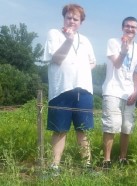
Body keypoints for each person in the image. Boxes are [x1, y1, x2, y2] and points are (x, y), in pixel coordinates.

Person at [43, 4, 96, 173]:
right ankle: (54, 166)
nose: (72, 21)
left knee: (83, 129)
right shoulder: (54, 34)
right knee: (60, 130)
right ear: (64, 18)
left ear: (81, 22)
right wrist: (69, 40)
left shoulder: (86, 40)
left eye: (76, 19)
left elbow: (93, 62)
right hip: (61, 89)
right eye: (69, 17)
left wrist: (81, 69)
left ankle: (87, 166)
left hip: (84, 90)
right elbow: (57, 58)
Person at [101, 16, 137, 169]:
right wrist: (123, 51)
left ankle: (122, 158)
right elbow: (117, 64)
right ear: (122, 28)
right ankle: (106, 161)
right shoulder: (113, 42)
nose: (130, 29)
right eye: (127, 26)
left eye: (133, 27)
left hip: (129, 93)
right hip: (112, 90)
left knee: (127, 127)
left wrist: (136, 91)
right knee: (111, 125)